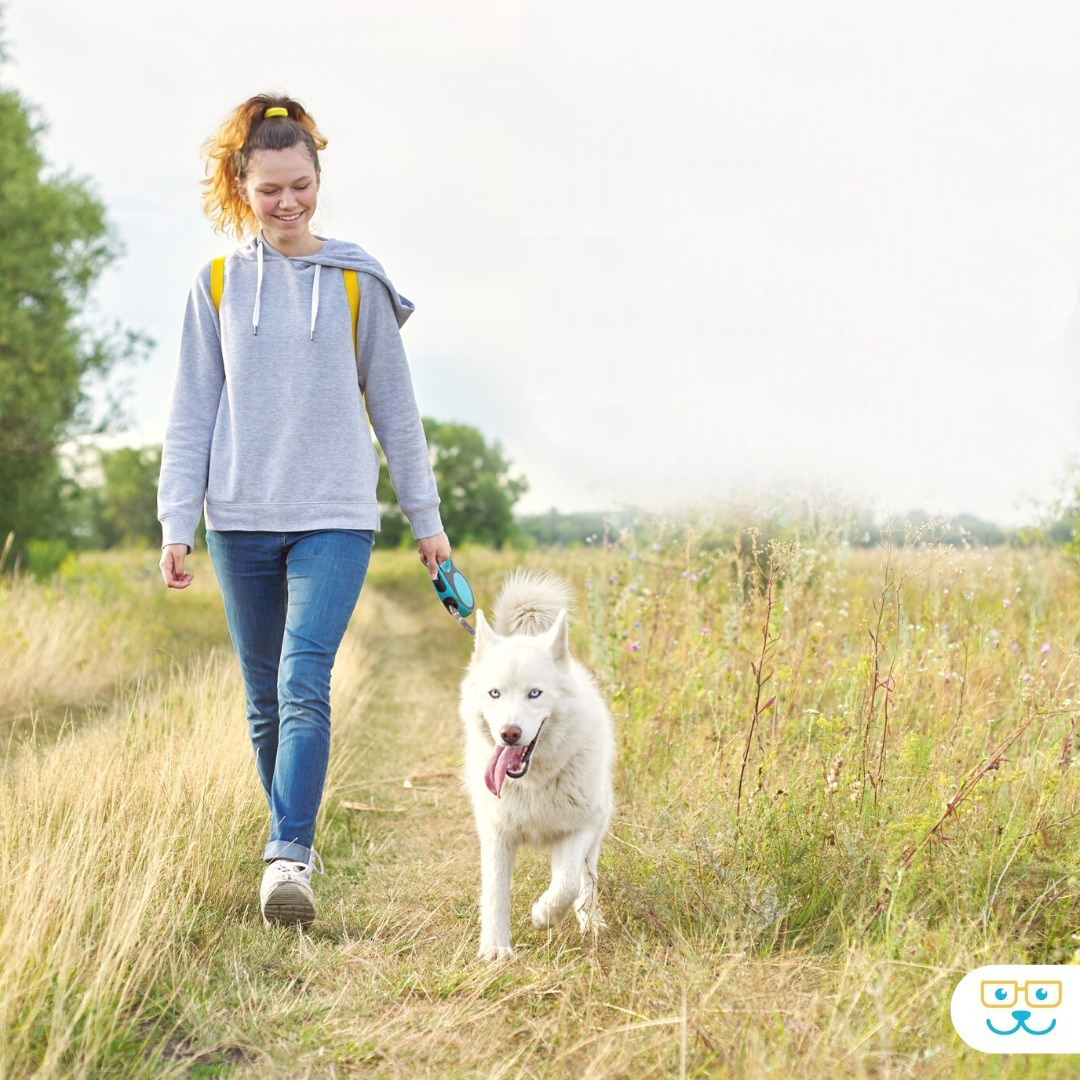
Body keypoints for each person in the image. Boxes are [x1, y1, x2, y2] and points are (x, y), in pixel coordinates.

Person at [157, 93, 450, 929]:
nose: (288, 204)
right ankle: (295, 842)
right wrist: (178, 520)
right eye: (269, 190)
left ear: (320, 177)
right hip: (239, 518)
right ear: (241, 188)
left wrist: (424, 522)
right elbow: (191, 412)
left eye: (301, 186)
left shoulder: (358, 282)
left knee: (301, 679)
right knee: (261, 700)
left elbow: (397, 413)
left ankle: (286, 854)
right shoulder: (214, 285)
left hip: (335, 515)